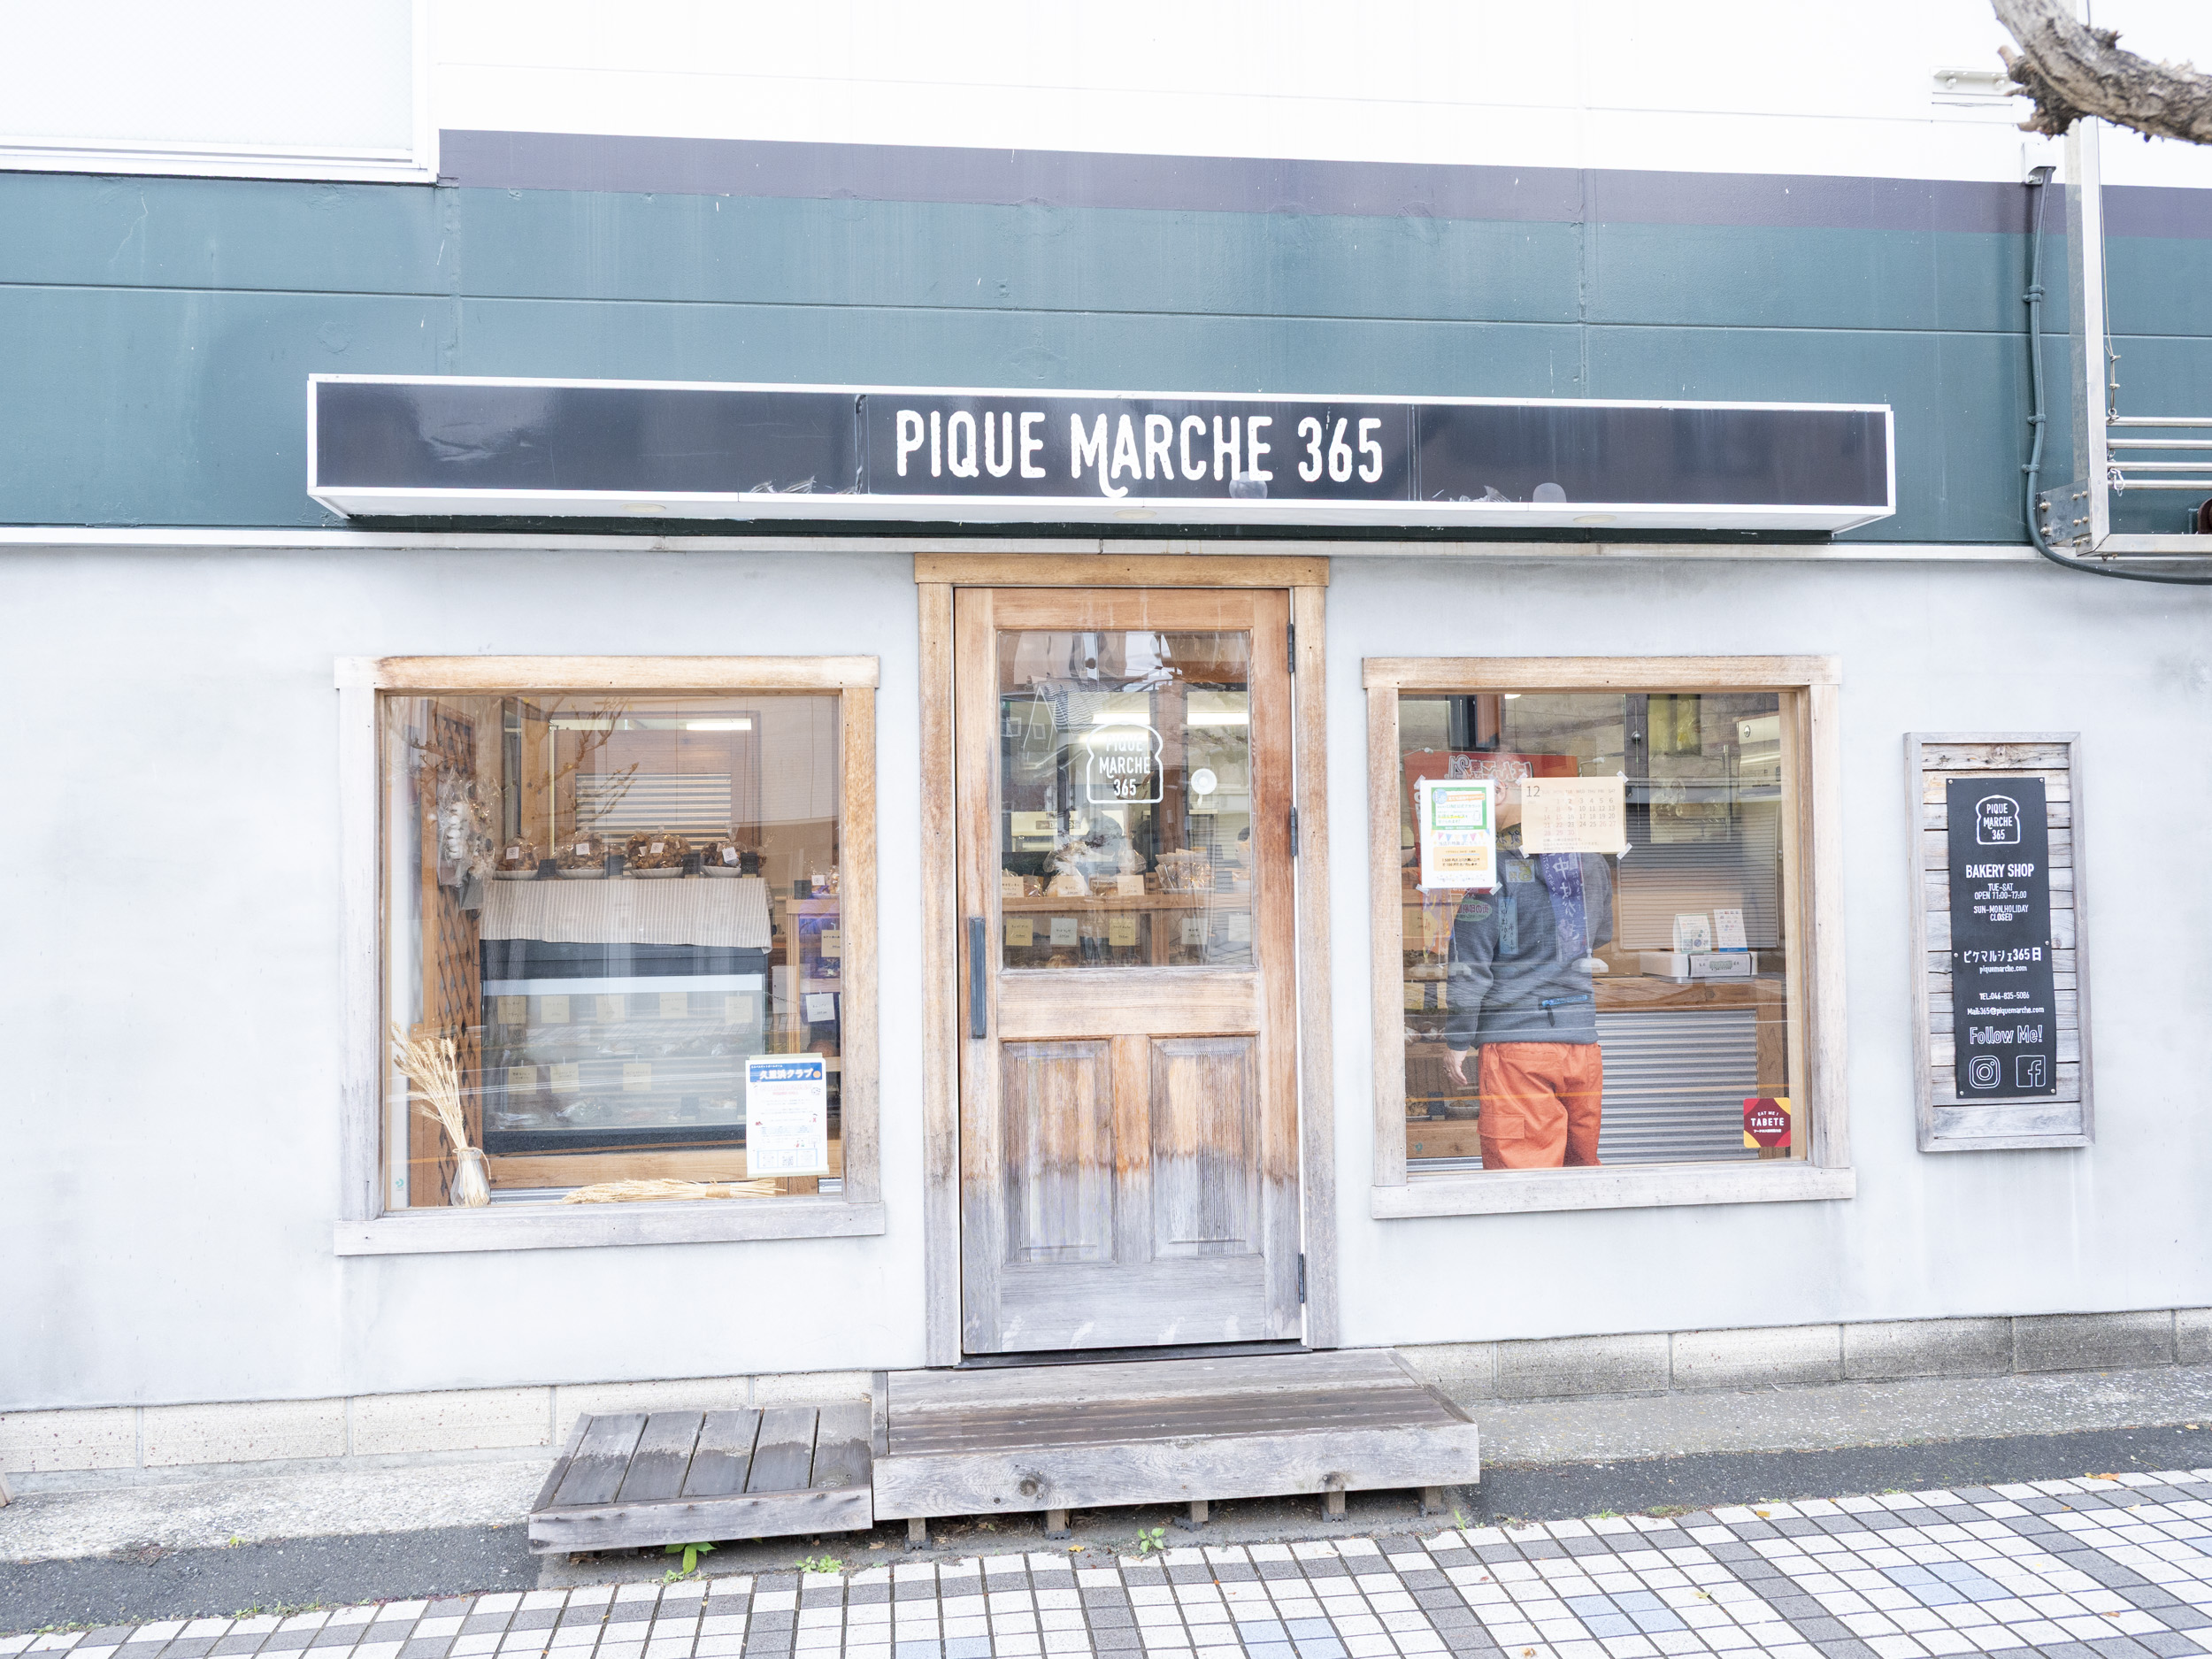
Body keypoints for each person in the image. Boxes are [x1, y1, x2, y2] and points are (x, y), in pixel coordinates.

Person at [1440, 804, 1616, 1169]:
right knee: (1580, 1171)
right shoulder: (1593, 863)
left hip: (1517, 1048)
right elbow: (1600, 935)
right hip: (1582, 1045)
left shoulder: (1497, 870)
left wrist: (1458, 1040)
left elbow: (1469, 964)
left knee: (1522, 1177)